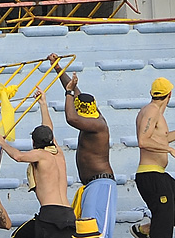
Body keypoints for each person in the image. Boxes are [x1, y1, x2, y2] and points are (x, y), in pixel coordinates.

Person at [48, 54, 116, 238]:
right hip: (90, 185)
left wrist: (68, 93)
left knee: (97, 233)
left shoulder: (97, 124)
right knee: (86, 234)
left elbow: (71, 117)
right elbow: (76, 91)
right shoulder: (90, 111)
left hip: (101, 185)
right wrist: (57, 68)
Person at [0, 87, 76, 238]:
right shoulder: (58, 152)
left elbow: (18, 156)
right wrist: (43, 104)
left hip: (51, 215)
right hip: (69, 215)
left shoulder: (40, 155)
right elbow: (49, 129)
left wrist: (1, 142)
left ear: (33, 142)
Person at [131, 77, 175, 238]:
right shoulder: (151, 110)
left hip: (159, 175)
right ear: (170, 94)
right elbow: (143, 141)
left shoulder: (155, 113)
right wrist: (171, 150)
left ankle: (145, 229)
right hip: (151, 175)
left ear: (152, 93)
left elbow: (163, 137)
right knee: (164, 224)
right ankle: (151, 229)